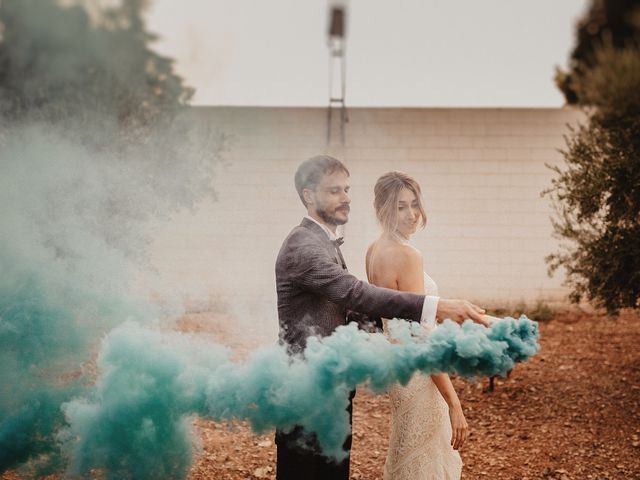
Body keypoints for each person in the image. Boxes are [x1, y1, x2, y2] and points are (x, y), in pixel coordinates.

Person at [274, 155, 486, 480]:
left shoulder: (330, 243)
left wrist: (385, 342)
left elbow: (355, 311)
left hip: (333, 391)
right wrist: (433, 306)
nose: (346, 198)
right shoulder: (303, 247)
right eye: (334, 191)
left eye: (346, 189)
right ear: (308, 195)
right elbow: (356, 294)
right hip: (306, 396)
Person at [366, 171, 466, 479]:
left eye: (415, 204)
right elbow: (420, 338)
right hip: (421, 375)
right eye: (400, 207)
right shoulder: (409, 255)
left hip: (399, 372)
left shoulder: (373, 250)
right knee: (427, 460)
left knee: (408, 452)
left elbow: (391, 318)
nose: (412, 215)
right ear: (383, 209)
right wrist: (454, 402)